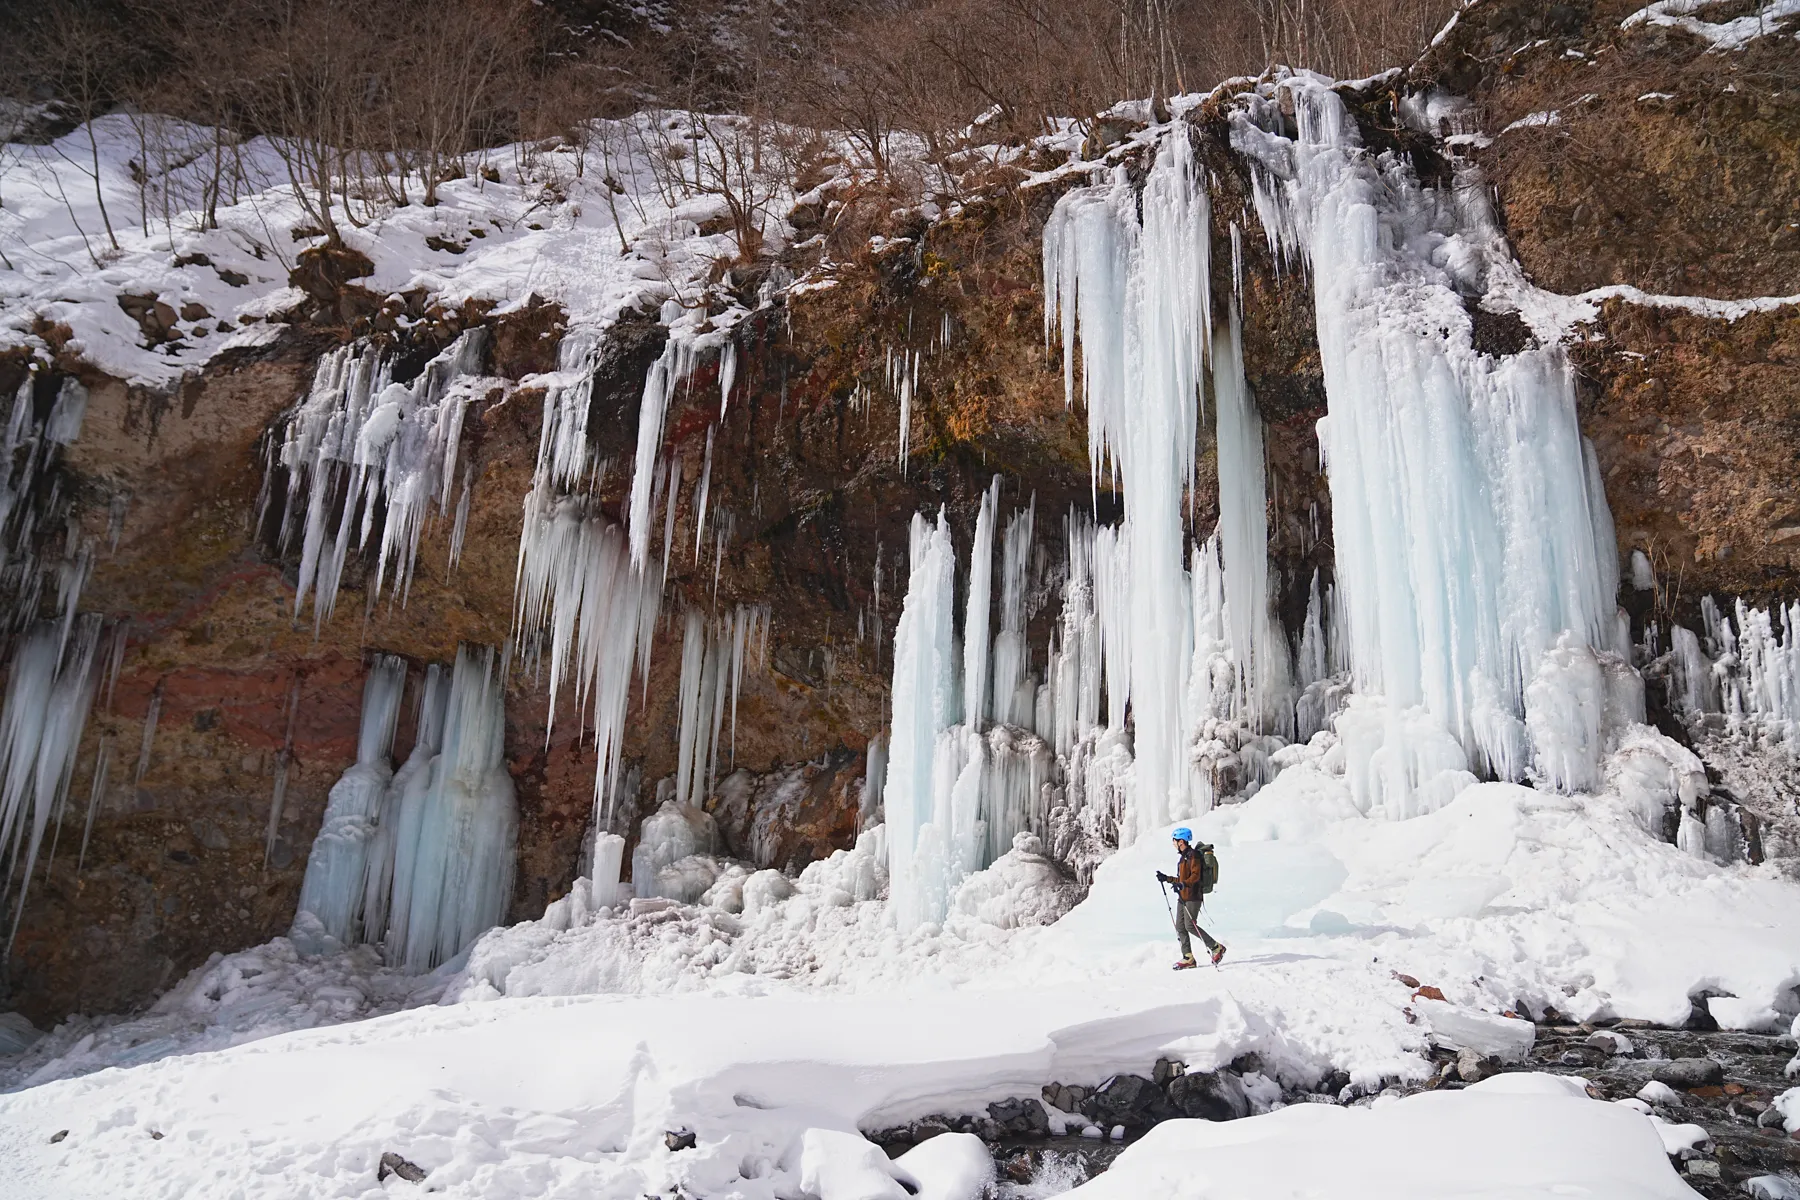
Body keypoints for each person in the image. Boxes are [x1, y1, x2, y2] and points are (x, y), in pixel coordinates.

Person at [1156, 827, 1225, 969]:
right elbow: (1182, 879)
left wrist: (1182, 884)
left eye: (1174, 841)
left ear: (1181, 841)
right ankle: (1188, 957)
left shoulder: (1193, 855)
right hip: (1183, 896)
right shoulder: (1183, 857)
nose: (1173, 843)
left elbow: (1195, 876)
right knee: (1180, 926)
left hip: (1193, 896)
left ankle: (1216, 947)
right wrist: (1167, 879)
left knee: (1190, 925)